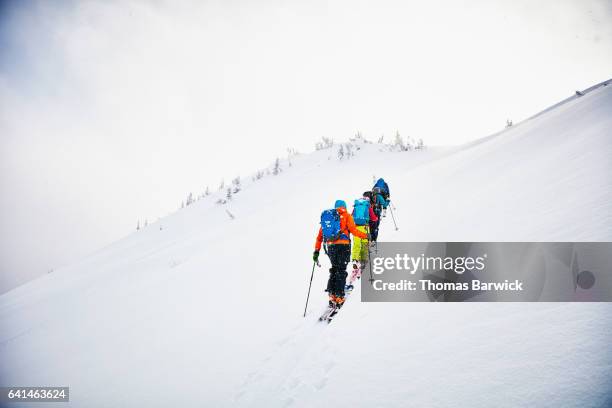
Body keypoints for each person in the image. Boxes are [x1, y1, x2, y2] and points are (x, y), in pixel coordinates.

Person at [313, 200, 368, 308]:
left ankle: (331, 294)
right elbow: (354, 230)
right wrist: (365, 236)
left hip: (331, 247)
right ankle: (339, 296)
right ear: (345, 207)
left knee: (334, 268)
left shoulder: (330, 217)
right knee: (341, 270)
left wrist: (316, 251)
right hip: (344, 246)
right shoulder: (347, 216)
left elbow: (320, 236)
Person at [350, 195, 378, 282]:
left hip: (356, 228)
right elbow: (373, 218)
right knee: (364, 245)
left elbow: (351, 216)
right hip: (365, 228)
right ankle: (363, 260)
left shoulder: (356, 206)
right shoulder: (367, 206)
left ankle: (355, 259)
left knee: (356, 244)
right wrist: (376, 218)